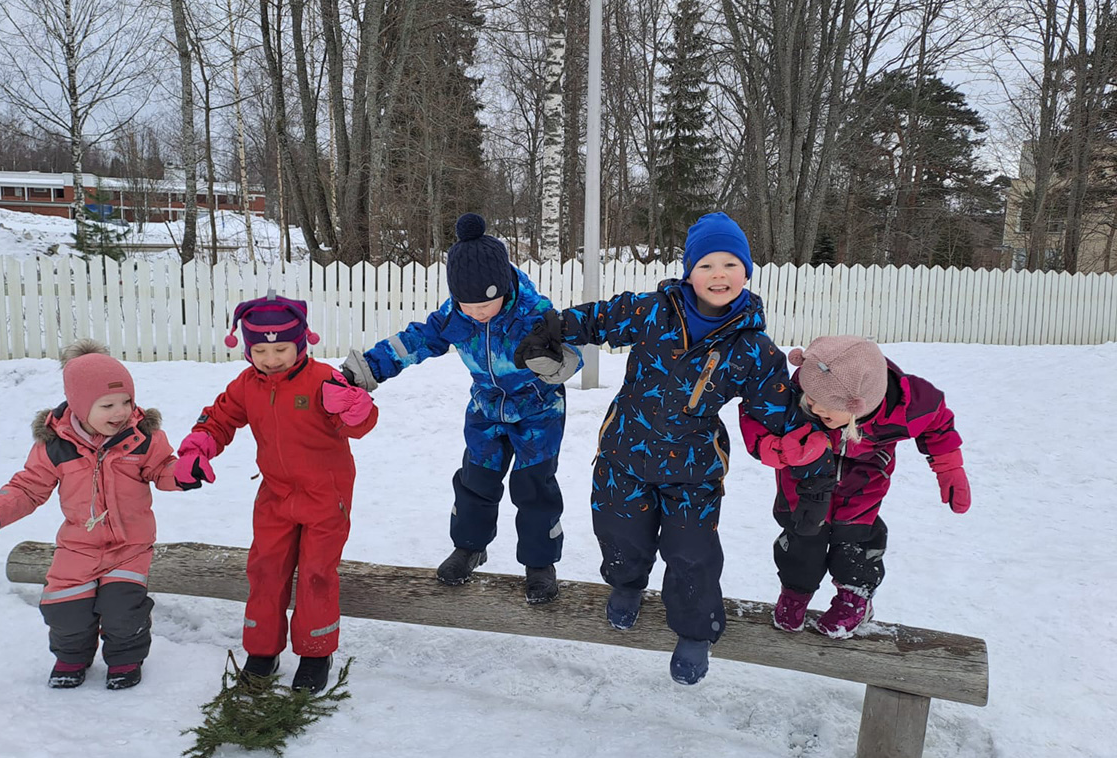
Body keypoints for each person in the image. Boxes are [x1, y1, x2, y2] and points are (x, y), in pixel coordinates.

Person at [514, 212, 834, 685]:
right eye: (706, 265)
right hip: (624, 454)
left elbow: (781, 417)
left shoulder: (754, 349)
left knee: (692, 552)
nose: (719, 274)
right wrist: (554, 327)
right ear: (689, 271)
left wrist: (816, 479)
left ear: (747, 272)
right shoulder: (652, 311)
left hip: (694, 469)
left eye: (730, 264)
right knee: (619, 531)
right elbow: (601, 317)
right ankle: (626, 585)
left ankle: (694, 628)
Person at [339, 213, 582, 605]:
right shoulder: (456, 317)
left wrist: (558, 365)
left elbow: (571, 353)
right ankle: (470, 547)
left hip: (538, 413)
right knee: (475, 482)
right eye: (468, 305)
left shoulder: (534, 314)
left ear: (504, 288)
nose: (477, 313)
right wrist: (368, 368)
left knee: (534, 488)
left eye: (485, 304)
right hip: (486, 410)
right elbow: (414, 341)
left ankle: (540, 564)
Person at [175, 292, 378, 693]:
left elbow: (361, 424)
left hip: (326, 492)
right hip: (275, 495)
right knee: (266, 569)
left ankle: (316, 652)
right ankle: (262, 650)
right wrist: (198, 447)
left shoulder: (323, 379)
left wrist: (355, 408)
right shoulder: (247, 384)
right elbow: (219, 419)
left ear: (301, 342)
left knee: (317, 572)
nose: (271, 359)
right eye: (261, 350)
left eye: (281, 348)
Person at [0, 340, 182, 690]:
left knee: (124, 609)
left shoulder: (142, 438)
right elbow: (28, 488)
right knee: (63, 609)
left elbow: (163, 469)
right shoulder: (55, 446)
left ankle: (124, 660)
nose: (120, 412)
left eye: (126, 402)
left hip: (130, 546)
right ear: (78, 405)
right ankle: (72, 657)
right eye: (107, 405)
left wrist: (183, 474)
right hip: (78, 546)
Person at [739, 336, 970, 638]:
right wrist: (777, 448)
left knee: (856, 538)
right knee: (802, 537)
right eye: (810, 403)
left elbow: (937, 422)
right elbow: (756, 413)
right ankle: (795, 592)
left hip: (865, 479)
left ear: (857, 409)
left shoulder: (905, 405)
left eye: (826, 411)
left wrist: (949, 466)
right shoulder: (798, 389)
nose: (814, 410)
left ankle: (854, 597)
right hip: (805, 476)